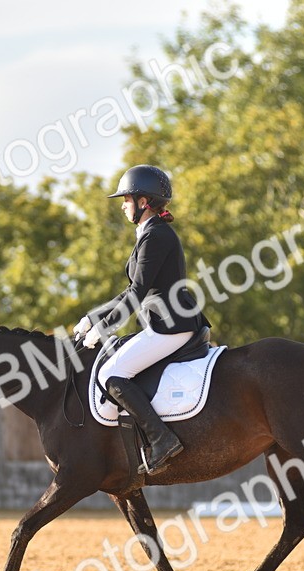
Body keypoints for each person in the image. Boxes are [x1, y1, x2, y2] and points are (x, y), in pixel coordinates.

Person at [73, 164, 210, 475]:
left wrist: (103, 327)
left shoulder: (156, 235)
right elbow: (131, 290)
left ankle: (161, 439)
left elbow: (137, 292)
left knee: (110, 374)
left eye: (127, 199)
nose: (123, 205)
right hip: (165, 323)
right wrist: (92, 317)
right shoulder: (150, 233)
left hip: (171, 325)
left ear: (144, 202)